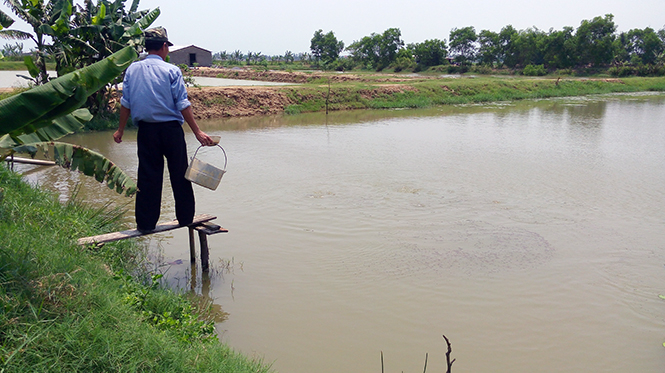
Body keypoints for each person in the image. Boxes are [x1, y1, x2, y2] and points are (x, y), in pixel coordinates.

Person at [113, 26, 214, 232]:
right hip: (171, 131)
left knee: (148, 176)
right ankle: (185, 218)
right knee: (180, 174)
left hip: (147, 131)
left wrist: (120, 130)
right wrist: (197, 131)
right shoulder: (172, 70)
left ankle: (146, 224)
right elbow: (182, 104)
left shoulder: (132, 69)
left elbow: (126, 103)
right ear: (164, 47)